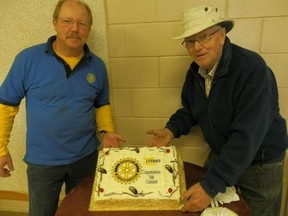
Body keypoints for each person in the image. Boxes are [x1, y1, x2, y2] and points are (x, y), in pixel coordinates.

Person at [147, 5, 288, 215]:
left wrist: (211, 185)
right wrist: (171, 130)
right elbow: (191, 109)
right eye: (191, 41)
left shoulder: (252, 70)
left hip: (259, 164)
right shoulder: (195, 72)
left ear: (222, 35)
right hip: (223, 156)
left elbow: (247, 136)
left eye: (204, 37)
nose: (197, 47)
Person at [0, 0, 125, 215]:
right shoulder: (27, 60)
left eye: (82, 23)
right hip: (43, 164)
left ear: (89, 29)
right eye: (67, 21)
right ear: (55, 23)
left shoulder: (97, 65)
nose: (75, 29)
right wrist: (1, 149)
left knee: (81, 212)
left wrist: (107, 131)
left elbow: (101, 104)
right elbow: (6, 106)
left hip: (86, 159)